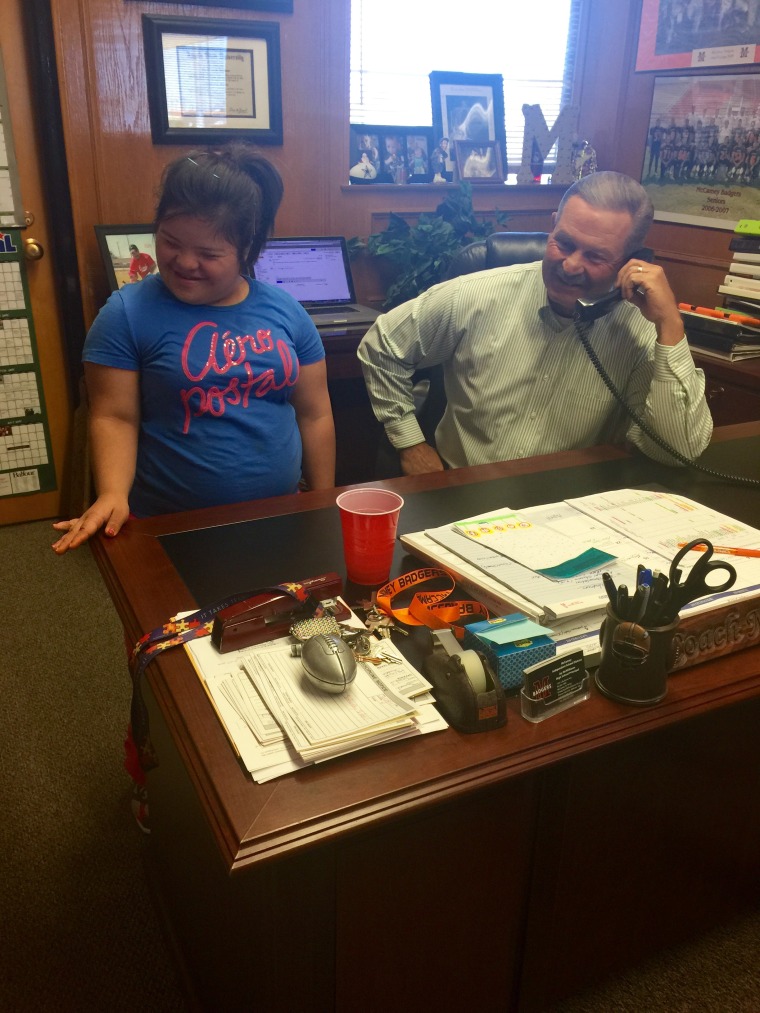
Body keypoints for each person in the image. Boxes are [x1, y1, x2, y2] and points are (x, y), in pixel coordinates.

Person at [52, 143, 336, 828]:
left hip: (272, 522)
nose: (183, 261)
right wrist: (113, 491)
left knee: (268, 646)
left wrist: (321, 499)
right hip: (169, 530)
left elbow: (315, 411)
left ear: (249, 248)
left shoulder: (286, 314)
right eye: (170, 240)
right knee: (168, 669)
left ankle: (260, 782)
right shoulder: (127, 313)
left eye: (207, 252)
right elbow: (115, 413)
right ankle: (157, 783)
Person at [358, 170, 712, 477]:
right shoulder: (478, 293)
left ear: (632, 262)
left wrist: (670, 325)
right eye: (564, 243)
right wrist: (410, 444)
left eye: (595, 256)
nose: (571, 265)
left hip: (570, 509)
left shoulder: (639, 329)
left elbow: (676, 452)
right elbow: (381, 346)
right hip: (465, 494)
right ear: (553, 224)